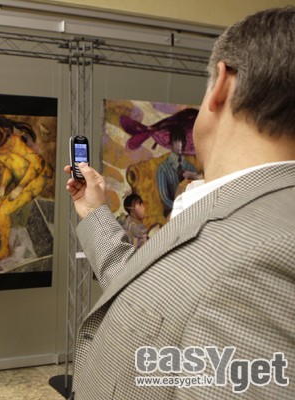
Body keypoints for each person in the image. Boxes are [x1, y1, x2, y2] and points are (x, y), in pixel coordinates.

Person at [65, 7, 295, 399]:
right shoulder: (229, 204)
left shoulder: (269, 259)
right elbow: (154, 293)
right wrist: (94, 211)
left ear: (222, 86)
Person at [156, 125, 199, 217]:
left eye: (182, 141)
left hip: (191, 209)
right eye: (176, 141)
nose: (180, 144)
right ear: (171, 143)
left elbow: (198, 186)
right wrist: (180, 209)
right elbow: (165, 199)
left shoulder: (190, 167)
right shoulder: (163, 168)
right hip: (172, 212)